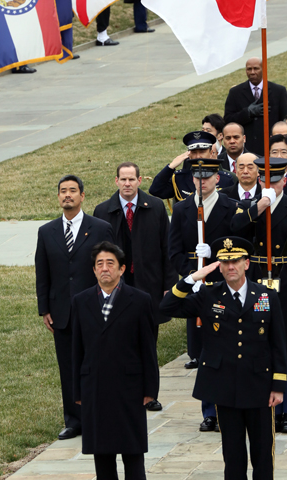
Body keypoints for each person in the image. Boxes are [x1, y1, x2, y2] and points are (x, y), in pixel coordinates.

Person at [160, 236, 287, 480]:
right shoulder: (208, 295)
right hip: (225, 385)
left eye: (236, 261)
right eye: (225, 262)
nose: (231, 267)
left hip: (259, 385)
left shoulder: (266, 295)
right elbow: (166, 308)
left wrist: (279, 385)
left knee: (263, 454)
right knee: (233, 455)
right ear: (218, 265)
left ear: (246, 264)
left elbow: (278, 343)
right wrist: (191, 279)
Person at [231, 158, 287, 434]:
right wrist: (259, 206)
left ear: (285, 180)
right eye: (266, 180)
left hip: (286, 283)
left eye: (277, 181)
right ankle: (265, 405)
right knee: (259, 345)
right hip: (256, 282)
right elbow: (236, 228)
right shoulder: (248, 206)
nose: (271, 185)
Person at [168, 159, 249, 431]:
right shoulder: (181, 209)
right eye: (197, 177)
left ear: (218, 179)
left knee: (226, 347)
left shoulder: (231, 207)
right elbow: (174, 252)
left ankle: (228, 403)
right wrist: (193, 276)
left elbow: (236, 248)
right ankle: (209, 411)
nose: (202, 182)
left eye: (208, 177)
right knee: (203, 352)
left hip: (224, 284)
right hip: (197, 287)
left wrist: (214, 266)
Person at [93, 162, 178, 411]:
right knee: (117, 342)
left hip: (148, 287)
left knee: (147, 344)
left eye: (132, 179)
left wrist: (168, 284)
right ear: (116, 181)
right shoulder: (102, 211)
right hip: (116, 288)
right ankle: (122, 393)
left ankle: (149, 395)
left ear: (140, 181)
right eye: (123, 179)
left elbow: (167, 248)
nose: (128, 184)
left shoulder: (155, 207)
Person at [35, 175, 114, 440]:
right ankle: (74, 420)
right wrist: (44, 308)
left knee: (97, 364)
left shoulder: (100, 227)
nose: (67, 195)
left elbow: (111, 269)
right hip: (62, 313)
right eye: (62, 191)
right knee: (68, 367)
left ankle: (100, 415)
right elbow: (42, 273)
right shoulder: (46, 232)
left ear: (82, 196)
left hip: (94, 309)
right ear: (58, 197)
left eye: (72, 191)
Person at [72, 242, 159, 480]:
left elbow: (148, 349)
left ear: (122, 269)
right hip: (95, 388)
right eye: (99, 264)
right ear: (93, 270)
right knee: (102, 456)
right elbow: (77, 350)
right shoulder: (81, 301)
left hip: (129, 389)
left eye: (110, 263)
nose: (104, 268)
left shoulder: (140, 300)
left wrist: (151, 388)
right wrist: (77, 390)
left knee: (133, 455)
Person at [223, 56, 287, 155]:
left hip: (270, 149)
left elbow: (285, 120)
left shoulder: (278, 91)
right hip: (246, 149)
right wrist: (247, 113)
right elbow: (228, 120)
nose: (252, 72)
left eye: (256, 68)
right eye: (249, 69)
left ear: (263, 69)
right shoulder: (235, 92)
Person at [149, 130, 234, 203]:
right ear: (188, 154)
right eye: (194, 152)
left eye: (202, 151)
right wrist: (170, 167)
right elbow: (156, 190)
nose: (198, 156)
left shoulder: (225, 179)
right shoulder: (180, 178)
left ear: (211, 153)